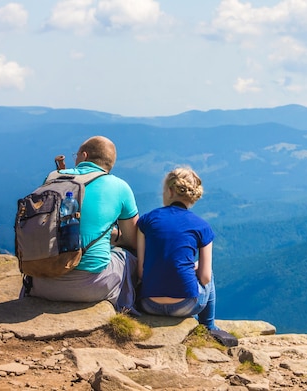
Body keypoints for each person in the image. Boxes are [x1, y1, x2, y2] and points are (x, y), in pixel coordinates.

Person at [24, 136, 140, 313]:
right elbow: (133, 240)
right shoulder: (119, 187)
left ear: (84, 155)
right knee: (130, 256)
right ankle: (129, 310)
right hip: (90, 287)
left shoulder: (52, 178)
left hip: (40, 282)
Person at [136, 166, 219, 330]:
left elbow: (141, 272)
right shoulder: (203, 226)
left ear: (170, 191)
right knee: (208, 273)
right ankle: (209, 327)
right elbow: (205, 278)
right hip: (186, 304)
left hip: (148, 303)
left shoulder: (146, 221)